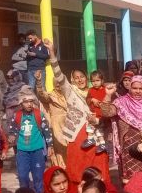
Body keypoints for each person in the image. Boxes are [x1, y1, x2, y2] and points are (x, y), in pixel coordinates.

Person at [42, 39, 108, 183]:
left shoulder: (96, 92)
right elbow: (58, 75)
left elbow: (107, 111)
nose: (80, 80)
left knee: (99, 169)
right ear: (72, 80)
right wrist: (52, 53)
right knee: (79, 171)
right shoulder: (70, 91)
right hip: (78, 135)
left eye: (82, 77)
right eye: (76, 78)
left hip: (96, 135)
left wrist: (98, 120)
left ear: (87, 78)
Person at [105, 75, 142, 182]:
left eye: (141, 88)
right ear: (130, 88)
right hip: (128, 152)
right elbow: (107, 113)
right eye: (135, 88)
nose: (138, 91)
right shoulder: (121, 102)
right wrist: (108, 95)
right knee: (130, 184)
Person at [8, 91, 53, 193]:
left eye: (31, 101)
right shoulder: (17, 116)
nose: (29, 104)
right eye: (26, 102)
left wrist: (50, 145)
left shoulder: (38, 114)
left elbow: (47, 131)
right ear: (21, 104)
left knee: (38, 176)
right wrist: (11, 136)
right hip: (22, 151)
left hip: (37, 151)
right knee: (23, 176)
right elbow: (12, 130)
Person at [34, 69, 68, 167]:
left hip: (70, 124)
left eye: (60, 83)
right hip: (57, 125)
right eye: (55, 83)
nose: (58, 85)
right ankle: (61, 170)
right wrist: (39, 82)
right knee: (60, 150)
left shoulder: (69, 94)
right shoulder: (50, 95)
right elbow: (41, 95)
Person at [83, 70, 108, 154]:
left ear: (102, 80)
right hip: (94, 112)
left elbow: (108, 101)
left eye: (97, 80)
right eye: (93, 81)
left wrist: (102, 104)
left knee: (99, 128)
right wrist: (92, 99)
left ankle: (102, 143)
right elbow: (87, 100)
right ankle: (92, 139)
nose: (95, 83)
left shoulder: (105, 90)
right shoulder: (91, 90)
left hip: (101, 114)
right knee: (91, 125)